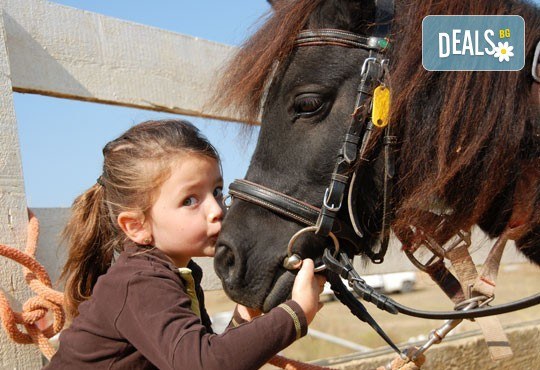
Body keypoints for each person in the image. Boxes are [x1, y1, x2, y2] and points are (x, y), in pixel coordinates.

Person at [45, 119, 325, 370]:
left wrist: (244, 317)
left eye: (216, 191)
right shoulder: (140, 282)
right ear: (136, 226)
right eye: (189, 200)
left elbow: (199, 354)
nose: (216, 209)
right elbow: (202, 364)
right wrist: (296, 313)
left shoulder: (174, 273)